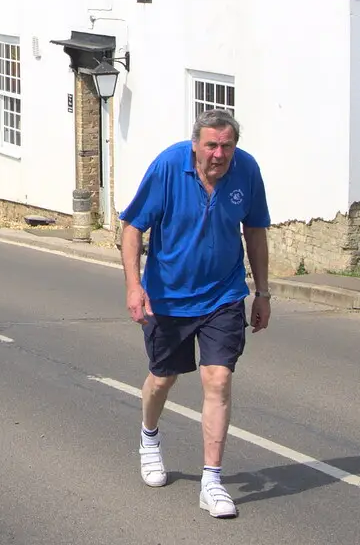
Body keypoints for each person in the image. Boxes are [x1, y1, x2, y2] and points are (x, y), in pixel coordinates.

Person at [118, 109, 271, 519]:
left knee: (217, 378)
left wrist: (263, 292)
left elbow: (255, 231)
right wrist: (135, 286)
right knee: (163, 378)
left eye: (226, 145)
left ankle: (212, 481)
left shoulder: (247, 171)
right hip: (169, 297)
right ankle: (149, 438)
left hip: (223, 294)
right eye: (211, 145)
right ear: (195, 145)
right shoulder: (169, 166)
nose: (219, 154)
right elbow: (132, 228)